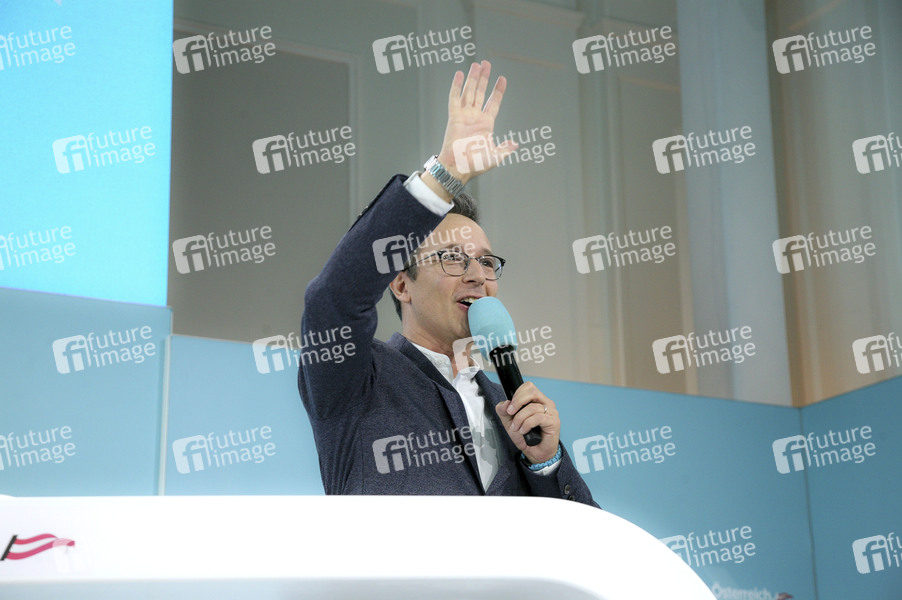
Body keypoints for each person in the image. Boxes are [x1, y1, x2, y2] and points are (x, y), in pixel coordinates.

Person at [298, 60, 598, 508]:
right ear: (401, 285)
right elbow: (333, 299)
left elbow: (583, 540)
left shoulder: (515, 411)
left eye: (486, 262)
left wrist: (545, 463)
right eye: (453, 258)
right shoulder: (358, 379)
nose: (477, 275)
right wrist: (445, 176)